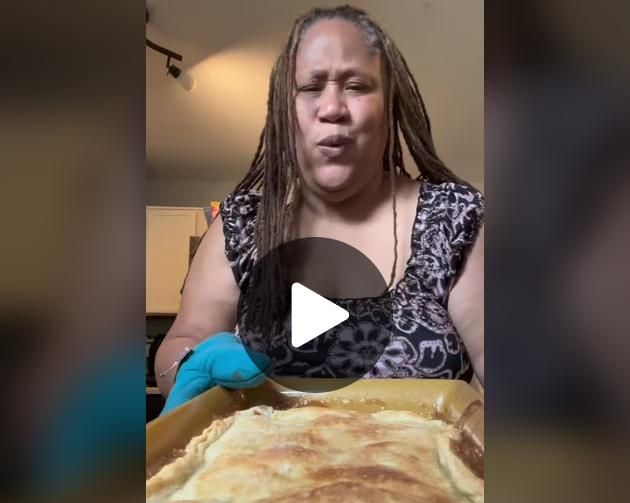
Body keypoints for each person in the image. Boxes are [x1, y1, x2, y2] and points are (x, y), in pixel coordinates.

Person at [156, 4, 484, 413]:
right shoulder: (241, 226)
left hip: (419, 469)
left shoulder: (454, 217)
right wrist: (189, 364)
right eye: (310, 87)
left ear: (390, 105)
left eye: (356, 85)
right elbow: (181, 342)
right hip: (253, 473)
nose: (331, 108)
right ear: (283, 111)